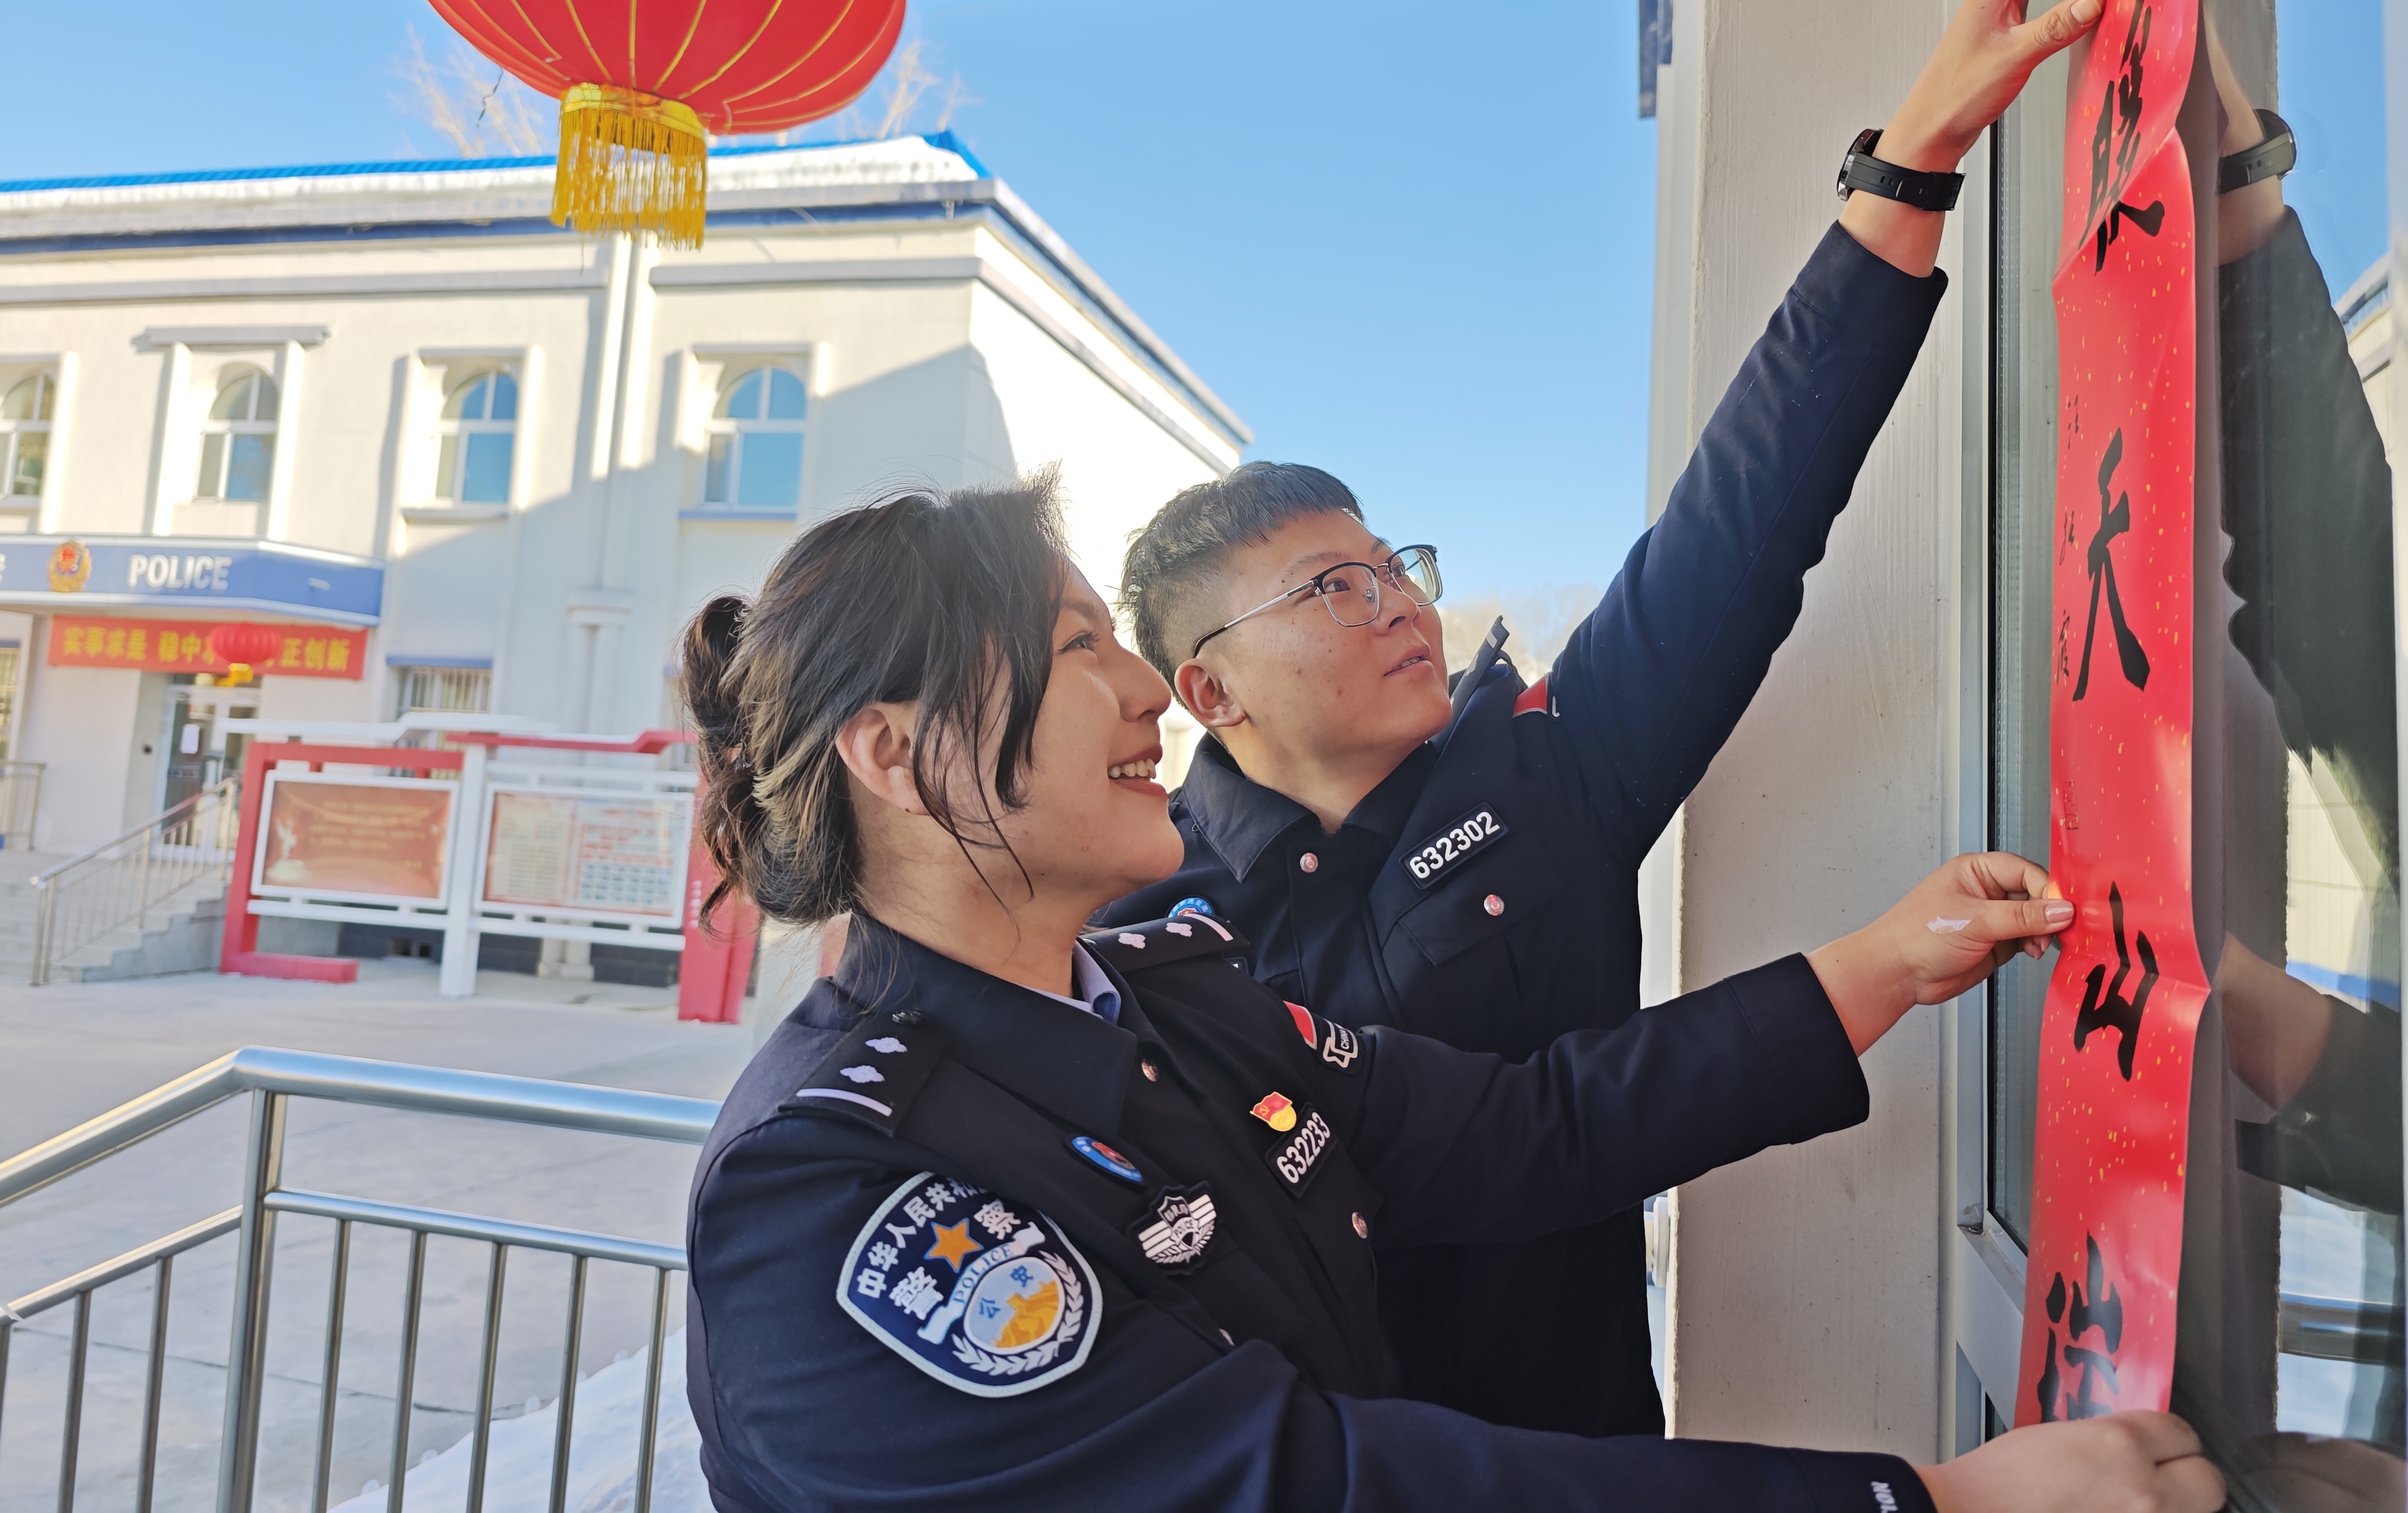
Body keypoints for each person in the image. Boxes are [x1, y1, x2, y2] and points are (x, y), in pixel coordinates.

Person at [1096, 0, 2111, 1437]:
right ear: (1207, 689)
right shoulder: (1153, 924)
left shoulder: (1542, 780)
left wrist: (1911, 162)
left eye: (1394, 563)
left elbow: (1740, 529)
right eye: (1331, 587)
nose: (1400, 600)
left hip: (1580, 1455)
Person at [680, 472, 2223, 1513]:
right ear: (897, 756)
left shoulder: (1171, 999)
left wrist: (1884, 963)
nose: (1147, 693)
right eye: (1082, 649)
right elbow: (1312, 1485)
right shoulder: (832, 1193)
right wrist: (1918, 1500)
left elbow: (1526, 1130)